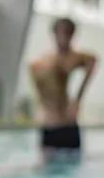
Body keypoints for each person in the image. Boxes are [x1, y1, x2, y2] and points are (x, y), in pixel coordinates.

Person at [29, 17, 96, 155]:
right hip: (50, 123)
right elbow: (35, 77)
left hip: (68, 124)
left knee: (72, 167)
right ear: (54, 35)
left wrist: (77, 99)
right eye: (62, 33)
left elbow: (93, 61)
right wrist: (43, 105)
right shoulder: (41, 63)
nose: (64, 38)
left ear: (72, 35)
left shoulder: (74, 58)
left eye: (68, 34)